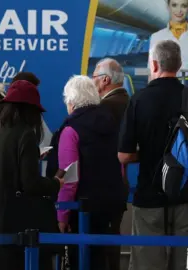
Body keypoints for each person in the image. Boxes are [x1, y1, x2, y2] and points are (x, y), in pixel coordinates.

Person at [119, 40, 188, 270]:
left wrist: (148, 153)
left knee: (147, 263)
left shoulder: (139, 100)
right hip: (186, 196)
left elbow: (124, 156)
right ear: (178, 65)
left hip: (149, 195)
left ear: (155, 65)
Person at [0, 80, 63, 270]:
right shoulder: (25, 134)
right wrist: (55, 183)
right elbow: (30, 184)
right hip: (20, 223)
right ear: (29, 109)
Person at [56, 75, 126, 270]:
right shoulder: (111, 123)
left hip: (83, 208)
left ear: (71, 101)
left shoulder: (71, 129)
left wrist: (62, 214)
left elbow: (69, 178)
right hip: (112, 204)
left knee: (83, 260)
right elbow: (119, 165)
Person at [92, 57, 130, 270]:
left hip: (103, 185)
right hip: (120, 183)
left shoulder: (105, 108)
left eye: (95, 77)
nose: (92, 81)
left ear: (105, 80)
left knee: (101, 245)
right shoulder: (129, 102)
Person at [149, 0, 188, 69]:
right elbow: (151, 69)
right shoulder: (156, 37)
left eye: (184, 6)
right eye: (174, 5)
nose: (179, 10)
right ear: (168, 7)